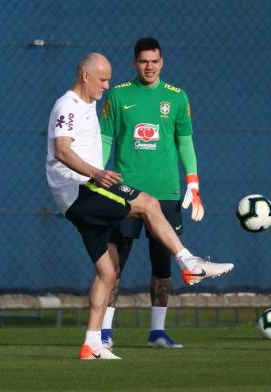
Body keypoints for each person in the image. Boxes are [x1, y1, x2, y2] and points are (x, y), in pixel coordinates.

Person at [46, 52, 234, 360]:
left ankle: (91, 344)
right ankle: (189, 263)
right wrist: (96, 172)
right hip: (80, 190)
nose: (106, 85)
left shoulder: (90, 104)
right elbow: (62, 150)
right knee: (148, 203)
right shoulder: (68, 105)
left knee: (108, 271)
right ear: (85, 76)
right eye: (103, 79)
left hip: (83, 191)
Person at [99, 36, 209, 350]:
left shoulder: (176, 98)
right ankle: (104, 331)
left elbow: (185, 141)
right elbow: (106, 139)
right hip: (125, 192)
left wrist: (193, 181)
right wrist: (96, 173)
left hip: (166, 193)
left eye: (155, 61)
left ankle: (157, 332)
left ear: (162, 63)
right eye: (144, 61)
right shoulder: (118, 96)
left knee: (162, 264)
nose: (150, 66)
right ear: (135, 63)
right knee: (113, 263)